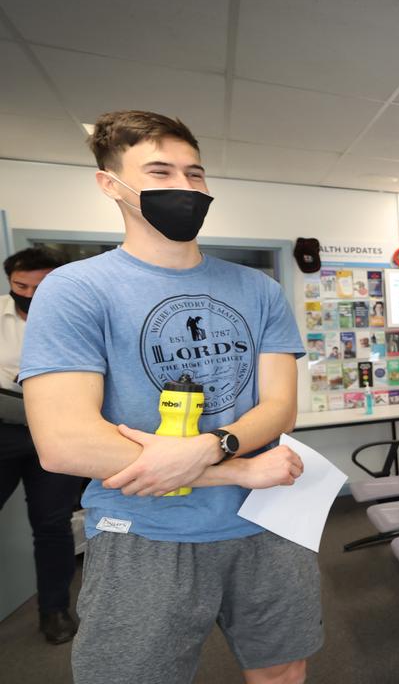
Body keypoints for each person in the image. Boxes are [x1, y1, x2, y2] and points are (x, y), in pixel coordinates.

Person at [20, 110, 318, 684]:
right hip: (146, 531)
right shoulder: (76, 290)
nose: (184, 187)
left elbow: (278, 406)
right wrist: (233, 471)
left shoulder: (259, 289)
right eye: (160, 171)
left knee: (283, 668)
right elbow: (63, 444)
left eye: (195, 173)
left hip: (271, 521)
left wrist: (211, 447)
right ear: (111, 184)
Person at [0, 246, 84, 644]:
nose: (30, 293)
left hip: (59, 429)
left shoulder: (76, 314)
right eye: (21, 285)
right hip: (4, 430)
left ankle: (54, 611)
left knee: (52, 526)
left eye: (41, 284)